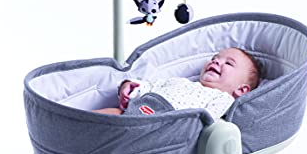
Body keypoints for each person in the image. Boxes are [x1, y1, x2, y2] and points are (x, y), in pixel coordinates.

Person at [93, 48, 262, 120]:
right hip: (136, 111)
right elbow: (150, 87)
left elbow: (207, 120)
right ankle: (77, 128)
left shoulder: (222, 98)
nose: (216, 62)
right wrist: (130, 86)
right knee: (111, 114)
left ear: (241, 90)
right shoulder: (180, 82)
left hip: (167, 124)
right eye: (214, 58)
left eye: (229, 63)